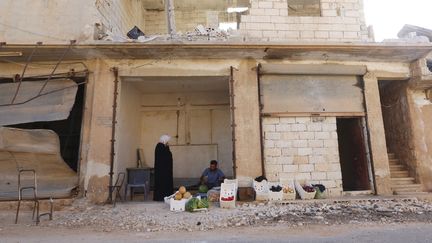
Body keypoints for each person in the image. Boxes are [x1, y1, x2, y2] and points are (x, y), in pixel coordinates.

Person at [153, 135, 173, 201]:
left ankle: (166, 196)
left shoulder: (162, 146)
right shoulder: (160, 147)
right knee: (162, 184)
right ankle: (161, 197)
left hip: (164, 171)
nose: (168, 143)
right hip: (162, 171)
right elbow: (166, 156)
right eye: (167, 141)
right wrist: (167, 149)